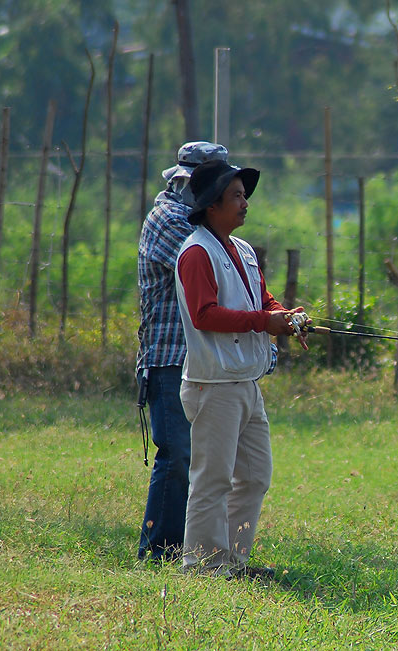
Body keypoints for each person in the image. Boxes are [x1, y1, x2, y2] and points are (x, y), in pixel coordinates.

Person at [175, 159, 307, 577]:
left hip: (246, 381)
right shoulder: (196, 253)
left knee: (253, 477)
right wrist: (263, 322)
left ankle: (233, 561)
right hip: (213, 383)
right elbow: (204, 314)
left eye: (244, 194)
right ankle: (202, 566)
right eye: (236, 195)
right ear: (213, 204)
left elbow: (263, 300)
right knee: (212, 479)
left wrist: (283, 316)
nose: (245, 203)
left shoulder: (244, 251)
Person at [136, 141, 230, 562]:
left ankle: (197, 550)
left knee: (203, 459)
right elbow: (215, 267)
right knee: (177, 456)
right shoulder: (172, 222)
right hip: (171, 356)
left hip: (201, 359)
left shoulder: (201, 226)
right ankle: (159, 552)